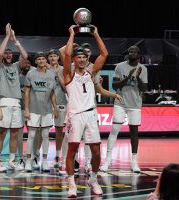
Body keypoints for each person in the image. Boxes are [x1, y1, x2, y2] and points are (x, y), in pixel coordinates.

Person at [63, 25, 108, 198]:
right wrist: (72, 34)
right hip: (75, 116)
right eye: (78, 57)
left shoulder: (90, 73)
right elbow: (66, 54)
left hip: (91, 114)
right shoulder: (68, 75)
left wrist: (96, 34)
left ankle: (93, 179)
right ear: (74, 59)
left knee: (96, 151)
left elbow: (104, 55)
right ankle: (72, 184)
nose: (81, 60)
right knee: (72, 150)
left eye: (84, 57)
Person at [100, 45, 148, 173]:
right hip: (120, 102)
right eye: (130, 50)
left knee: (134, 132)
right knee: (114, 130)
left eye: (134, 51)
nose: (131, 52)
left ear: (138, 54)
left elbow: (144, 89)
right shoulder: (120, 66)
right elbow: (114, 86)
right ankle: (107, 161)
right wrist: (128, 77)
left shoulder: (143, 69)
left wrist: (137, 77)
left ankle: (134, 162)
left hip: (135, 104)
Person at [0, 23, 28, 170]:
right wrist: (7, 36)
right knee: (2, 132)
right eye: (6, 53)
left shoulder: (15, 66)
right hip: (4, 101)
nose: (7, 54)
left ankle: (12, 160)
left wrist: (16, 41)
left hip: (16, 102)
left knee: (15, 132)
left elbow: (25, 56)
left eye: (10, 53)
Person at [24, 52, 58, 172]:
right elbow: (27, 93)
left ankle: (44, 161)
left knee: (46, 136)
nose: (42, 60)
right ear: (36, 61)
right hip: (33, 109)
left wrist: (55, 108)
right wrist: (26, 109)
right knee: (31, 135)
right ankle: (29, 161)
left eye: (43, 58)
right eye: (39, 59)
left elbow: (53, 93)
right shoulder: (30, 74)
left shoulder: (51, 74)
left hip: (47, 110)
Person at [47, 49, 66, 168]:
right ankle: (36, 157)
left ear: (58, 58)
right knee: (41, 131)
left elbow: (65, 87)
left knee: (59, 131)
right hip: (46, 104)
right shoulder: (44, 68)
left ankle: (58, 156)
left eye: (55, 56)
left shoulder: (63, 69)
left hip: (61, 102)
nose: (53, 58)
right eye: (51, 56)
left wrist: (57, 73)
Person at [16, 55, 35, 170]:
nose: (26, 65)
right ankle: (21, 157)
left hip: (32, 109)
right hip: (19, 108)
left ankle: (32, 157)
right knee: (19, 134)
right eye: (24, 63)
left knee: (33, 134)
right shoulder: (16, 76)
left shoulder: (34, 75)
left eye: (29, 63)